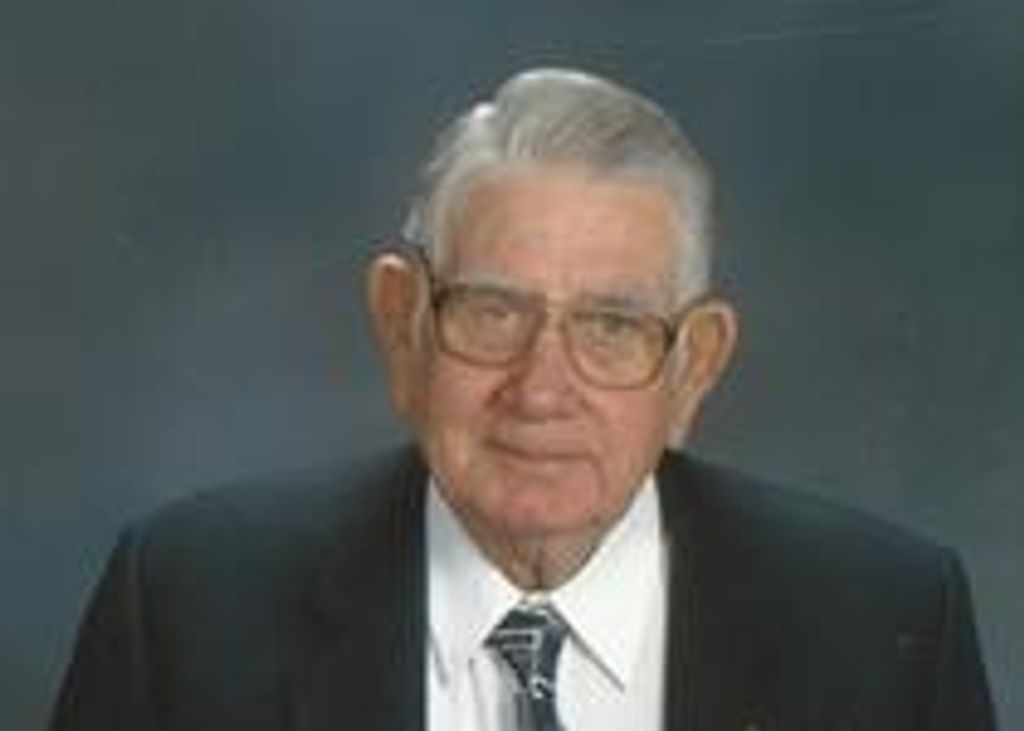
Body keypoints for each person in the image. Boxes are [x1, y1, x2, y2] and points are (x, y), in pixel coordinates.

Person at [51, 68, 994, 731]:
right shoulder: (187, 611)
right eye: (493, 311)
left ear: (694, 366)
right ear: (402, 325)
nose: (542, 389)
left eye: (612, 325)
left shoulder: (884, 627)